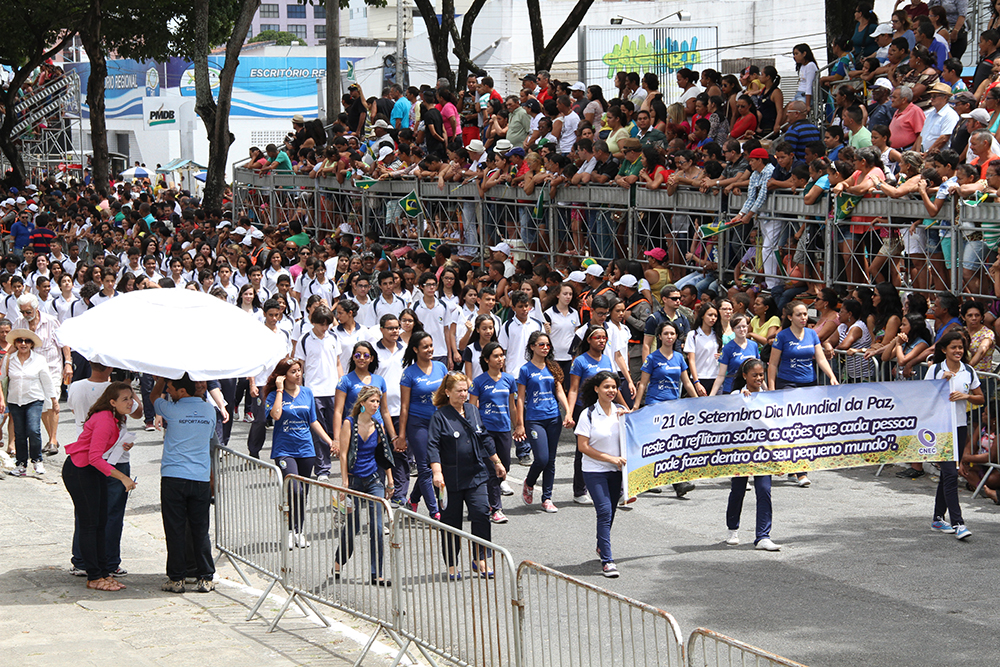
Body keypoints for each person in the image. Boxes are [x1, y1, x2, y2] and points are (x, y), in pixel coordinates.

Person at [68, 363, 143, 579]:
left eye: (131, 398)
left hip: (97, 463)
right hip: (90, 466)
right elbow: (95, 456)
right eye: (125, 399)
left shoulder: (110, 415)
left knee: (96, 518)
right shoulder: (106, 417)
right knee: (96, 518)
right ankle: (98, 569)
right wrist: (123, 477)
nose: (130, 402)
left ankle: (96, 566)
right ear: (112, 402)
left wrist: (122, 444)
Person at [429, 372, 506, 580]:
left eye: (465, 390)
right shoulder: (439, 417)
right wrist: (437, 472)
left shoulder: (472, 410)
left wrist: (497, 462)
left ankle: (480, 558)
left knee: (481, 514)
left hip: (476, 474)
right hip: (450, 478)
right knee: (451, 522)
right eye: (459, 391)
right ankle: (452, 563)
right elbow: (433, 446)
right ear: (447, 392)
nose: (463, 394)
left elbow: (484, 438)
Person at [151, 373, 218, 594]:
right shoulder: (209, 410)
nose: (168, 392)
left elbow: (153, 397)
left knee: (175, 529)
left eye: (171, 388)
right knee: (201, 529)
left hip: (174, 477)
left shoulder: (171, 409)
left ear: (182, 391)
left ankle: (176, 578)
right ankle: (205, 577)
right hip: (200, 478)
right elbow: (209, 435)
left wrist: (161, 379)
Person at [264, 358, 336, 549]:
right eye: (293, 371)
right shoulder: (273, 395)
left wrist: (330, 441)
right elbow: (275, 415)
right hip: (284, 450)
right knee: (293, 489)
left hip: (306, 449)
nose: (298, 374)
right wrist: (280, 390)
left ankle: (298, 531)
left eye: (299, 370)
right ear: (283, 375)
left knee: (302, 493)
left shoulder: (307, 393)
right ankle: (288, 531)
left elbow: (313, 421)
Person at [767, 301, 839, 487]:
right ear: (790, 317)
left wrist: (831, 376)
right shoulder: (782, 336)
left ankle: (793, 467)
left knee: (805, 427)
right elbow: (773, 364)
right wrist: (772, 389)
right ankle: (801, 472)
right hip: (788, 384)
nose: (803, 318)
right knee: (794, 426)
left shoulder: (812, 334)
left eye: (805, 314)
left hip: (809, 384)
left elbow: (820, 358)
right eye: (799, 314)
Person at [926, 329, 982, 541]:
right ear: (944, 350)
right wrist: (941, 382)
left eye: (961, 347)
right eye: (954, 347)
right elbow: (924, 397)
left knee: (947, 475)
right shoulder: (935, 370)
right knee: (950, 473)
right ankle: (958, 523)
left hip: (959, 427)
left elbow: (980, 398)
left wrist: (965, 396)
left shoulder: (968, 371)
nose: (958, 351)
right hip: (940, 428)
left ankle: (937, 518)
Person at [335, 385, 394, 585]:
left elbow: (384, 455)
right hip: (354, 480)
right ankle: (339, 561)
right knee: (352, 527)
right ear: (362, 403)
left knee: (377, 528)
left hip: (374, 480)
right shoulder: (349, 423)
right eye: (372, 401)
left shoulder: (378, 425)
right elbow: (343, 454)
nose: (376, 405)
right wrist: (344, 482)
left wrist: (390, 480)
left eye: (378, 401)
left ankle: (377, 573)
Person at [633, 321, 698, 498]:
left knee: (673, 443)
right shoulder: (652, 358)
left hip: (674, 407)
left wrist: (698, 402)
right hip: (655, 405)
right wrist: (636, 406)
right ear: (659, 336)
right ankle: (666, 482)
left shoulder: (679, 358)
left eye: (672, 333)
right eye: (666, 333)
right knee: (657, 444)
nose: (669, 337)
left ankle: (677, 482)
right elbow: (643, 384)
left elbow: (686, 383)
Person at [575, 370, 629, 578]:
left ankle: (600, 545)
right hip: (594, 470)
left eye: (614, 387)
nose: (611, 390)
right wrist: (610, 459)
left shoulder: (621, 411)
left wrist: (629, 419)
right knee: (604, 511)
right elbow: (583, 447)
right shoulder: (587, 414)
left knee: (610, 512)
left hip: (616, 472)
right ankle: (607, 560)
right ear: (597, 389)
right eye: (607, 387)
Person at [724, 359, 780, 551]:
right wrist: (740, 399)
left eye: (761, 375)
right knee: (738, 491)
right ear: (745, 376)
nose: (759, 378)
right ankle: (732, 529)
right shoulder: (735, 395)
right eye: (754, 375)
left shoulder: (768, 397)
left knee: (764, 491)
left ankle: (763, 536)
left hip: (763, 453)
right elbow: (726, 418)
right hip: (740, 453)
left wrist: (780, 457)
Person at [516, 331, 572, 513]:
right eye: (541, 344)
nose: (545, 348)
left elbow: (559, 391)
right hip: (534, 419)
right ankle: (530, 482)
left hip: (553, 417)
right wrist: (519, 423)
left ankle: (547, 498)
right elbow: (520, 397)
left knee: (551, 460)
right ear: (532, 347)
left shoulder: (553, 367)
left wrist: (568, 412)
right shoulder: (525, 370)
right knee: (541, 458)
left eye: (548, 345)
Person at [399, 331, 448, 519]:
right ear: (415, 349)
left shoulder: (441, 367)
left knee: (437, 465)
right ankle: (435, 511)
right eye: (425, 347)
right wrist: (401, 435)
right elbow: (404, 406)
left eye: (431, 345)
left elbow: (447, 396)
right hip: (417, 424)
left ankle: (413, 499)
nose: (430, 349)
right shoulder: (409, 374)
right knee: (425, 467)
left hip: (439, 423)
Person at [469, 342, 518, 524]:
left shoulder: (509, 380)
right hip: (486, 431)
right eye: (496, 356)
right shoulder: (478, 382)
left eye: (502, 355)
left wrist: (518, 426)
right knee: (492, 469)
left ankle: (484, 502)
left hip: (504, 429)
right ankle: (496, 508)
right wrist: (474, 430)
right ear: (486, 359)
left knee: (504, 467)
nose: (500, 359)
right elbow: (472, 408)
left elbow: (512, 406)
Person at [295, 305, 343, 481]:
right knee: (318, 432)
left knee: (335, 429)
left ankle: (343, 462)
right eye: (321, 324)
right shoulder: (304, 339)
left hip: (333, 390)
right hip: (313, 391)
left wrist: (342, 383)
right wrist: (298, 390)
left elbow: (338, 363)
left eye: (327, 324)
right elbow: (299, 366)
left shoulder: (334, 337)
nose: (324, 327)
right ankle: (323, 469)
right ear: (313, 322)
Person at [2, 328, 57, 476]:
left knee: (33, 430)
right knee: (19, 433)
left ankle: (37, 460)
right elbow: (2, 380)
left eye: (27, 341)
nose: (23, 344)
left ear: (32, 344)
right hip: (15, 400)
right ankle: (21, 464)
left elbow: (47, 381)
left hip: (34, 399)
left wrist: (54, 400)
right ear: (15, 343)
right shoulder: (9, 359)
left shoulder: (39, 359)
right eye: (20, 341)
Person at [332, 341, 395, 443]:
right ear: (353, 357)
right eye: (358, 355)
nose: (361, 358)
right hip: (355, 431)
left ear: (371, 358)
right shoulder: (345, 381)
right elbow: (338, 411)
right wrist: (336, 439)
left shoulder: (379, 380)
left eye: (366, 356)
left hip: (377, 430)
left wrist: (393, 436)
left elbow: (385, 411)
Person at [710, 314, 760, 395]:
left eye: (744, 326)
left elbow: (758, 371)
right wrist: (711, 396)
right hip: (732, 389)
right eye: (738, 327)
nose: (742, 330)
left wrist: (768, 391)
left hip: (751, 389)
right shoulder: (728, 348)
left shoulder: (753, 345)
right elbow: (721, 375)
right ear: (733, 329)